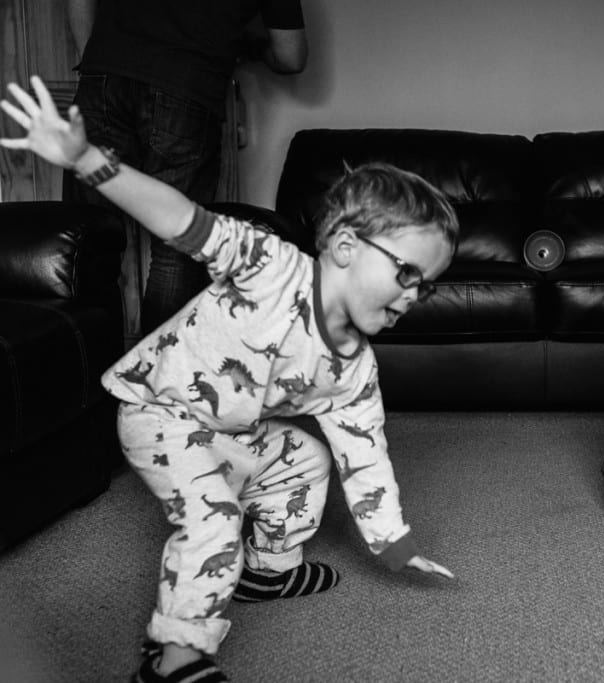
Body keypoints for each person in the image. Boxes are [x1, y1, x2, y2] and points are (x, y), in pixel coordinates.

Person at [2, 76, 456, 682]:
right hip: (160, 412)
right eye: (407, 272)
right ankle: (173, 657)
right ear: (345, 246)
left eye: (426, 285)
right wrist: (87, 159)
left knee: (307, 457)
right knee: (214, 519)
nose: (415, 294)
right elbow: (182, 221)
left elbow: (365, 456)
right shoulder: (269, 266)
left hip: (231, 428)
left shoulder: (356, 368)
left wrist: (393, 542)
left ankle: (268, 571)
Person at [63, 0, 308, 340]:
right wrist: (253, 47)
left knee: (86, 244)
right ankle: (152, 384)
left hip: (104, 76)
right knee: (176, 251)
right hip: (186, 85)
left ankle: (90, 383)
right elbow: (290, 55)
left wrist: (97, 58)